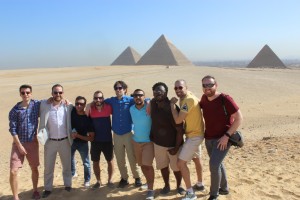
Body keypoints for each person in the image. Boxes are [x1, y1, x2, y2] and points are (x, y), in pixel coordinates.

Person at [200, 75, 243, 200]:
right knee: (218, 164)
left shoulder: (225, 99)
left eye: (210, 85)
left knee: (213, 164)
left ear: (216, 85)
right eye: (204, 85)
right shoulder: (204, 98)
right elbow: (196, 107)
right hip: (208, 138)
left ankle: (214, 194)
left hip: (222, 139)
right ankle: (224, 188)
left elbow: (239, 118)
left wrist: (227, 136)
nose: (207, 87)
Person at [170, 79, 205, 200]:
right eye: (176, 88)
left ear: (186, 87)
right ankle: (200, 184)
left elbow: (178, 120)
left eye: (180, 87)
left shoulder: (188, 100)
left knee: (180, 163)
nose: (178, 90)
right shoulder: (189, 96)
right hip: (197, 133)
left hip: (194, 136)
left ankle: (190, 193)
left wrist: (172, 106)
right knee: (196, 158)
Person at [149, 82, 185, 196]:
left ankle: (179, 185)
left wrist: (176, 147)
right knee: (163, 166)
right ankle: (167, 185)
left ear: (166, 93)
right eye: (155, 91)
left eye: (160, 91)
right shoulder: (153, 103)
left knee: (176, 168)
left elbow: (180, 130)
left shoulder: (172, 107)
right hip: (158, 144)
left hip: (173, 144)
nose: (158, 93)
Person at [104, 81, 142, 188]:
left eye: (120, 88)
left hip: (129, 133)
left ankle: (137, 177)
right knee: (120, 158)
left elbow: (144, 101)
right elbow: (100, 101)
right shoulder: (111, 101)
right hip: (116, 134)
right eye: (116, 88)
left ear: (125, 89)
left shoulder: (130, 100)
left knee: (132, 157)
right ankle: (124, 178)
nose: (118, 90)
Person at [39, 84, 73, 198]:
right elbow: (32, 102)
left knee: (67, 165)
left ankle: (68, 185)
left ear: (63, 93)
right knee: (48, 167)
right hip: (50, 142)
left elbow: (81, 110)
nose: (58, 94)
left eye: (60, 92)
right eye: (55, 92)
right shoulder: (45, 105)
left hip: (65, 141)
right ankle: (48, 188)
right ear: (52, 93)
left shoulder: (68, 106)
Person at [8, 84, 41, 200]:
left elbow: (50, 103)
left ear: (31, 93)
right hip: (18, 143)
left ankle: (36, 190)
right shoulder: (15, 110)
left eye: (27, 92)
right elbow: (12, 130)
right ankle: (16, 197)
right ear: (20, 94)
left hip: (33, 142)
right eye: (23, 93)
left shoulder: (36, 105)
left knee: (34, 168)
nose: (25, 94)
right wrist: (19, 146)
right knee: (13, 171)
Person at [129, 89, 155, 200]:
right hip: (136, 141)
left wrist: (149, 101)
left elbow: (154, 101)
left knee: (148, 165)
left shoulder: (149, 107)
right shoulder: (131, 109)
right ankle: (148, 182)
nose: (138, 97)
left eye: (140, 95)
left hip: (149, 142)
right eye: (135, 95)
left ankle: (150, 189)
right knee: (142, 165)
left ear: (144, 96)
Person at [88, 90, 115, 189]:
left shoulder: (108, 107)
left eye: (100, 98)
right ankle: (98, 181)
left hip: (107, 140)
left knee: (110, 160)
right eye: (95, 98)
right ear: (93, 99)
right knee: (95, 162)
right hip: (95, 141)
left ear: (103, 99)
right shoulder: (90, 109)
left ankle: (110, 180)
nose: (98, 100)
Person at [70, 96, 95, 188]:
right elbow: (66, 103)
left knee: (86, 162)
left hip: (82, 143)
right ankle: (73, 173)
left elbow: (91, 138)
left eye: (81, 104)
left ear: (85, 105)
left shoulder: (87, 118)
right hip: (71, 141)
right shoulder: (72, 111)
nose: (78, 106)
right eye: (77, 104)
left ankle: (87, 180)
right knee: (70, 158)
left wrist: (78, 136)